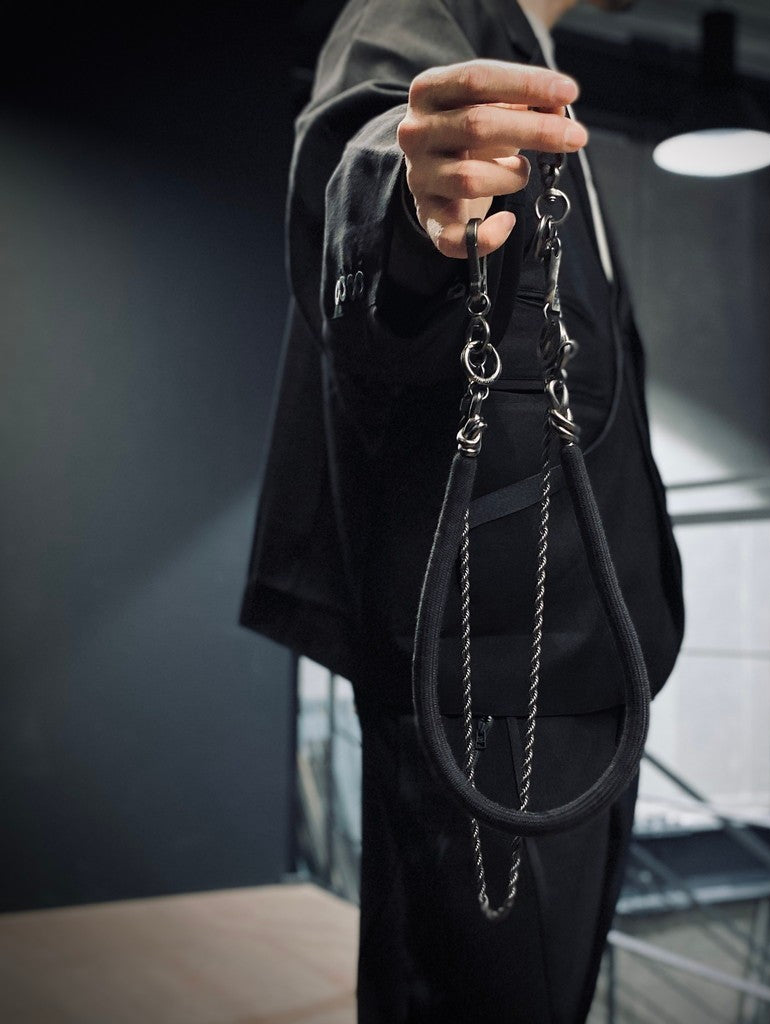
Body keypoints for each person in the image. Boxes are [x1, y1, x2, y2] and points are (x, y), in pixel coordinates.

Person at [240, 0, 685, 1020]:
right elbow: (374, 141)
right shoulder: (418, 13)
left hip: (569, 663)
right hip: (497, 673)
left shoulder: (533, 55)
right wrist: (411, 207)